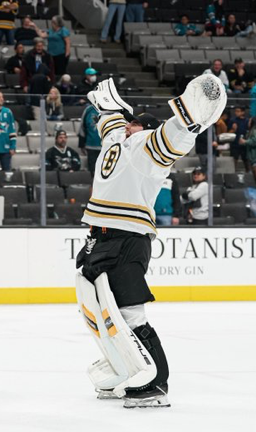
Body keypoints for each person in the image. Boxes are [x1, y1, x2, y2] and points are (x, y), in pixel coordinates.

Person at [75, 75, 226, 408]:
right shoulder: (118, 139)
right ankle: (123, 367)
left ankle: (157, 382)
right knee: (98, 310)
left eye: (134, 124)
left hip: (128, 239)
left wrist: (191, 117)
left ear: (143, 128)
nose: (127, 126)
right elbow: (111, 122)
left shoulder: (146, 146)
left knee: (130, 315)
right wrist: (106, 108)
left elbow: (173, 137)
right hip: (99, 236)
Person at [79, 98, 101, 173]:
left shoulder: (111, 110)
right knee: (93, 171)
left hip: (106, 146)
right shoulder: (88, 110)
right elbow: (82, 127)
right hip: (91, 145)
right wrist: (81, 144)